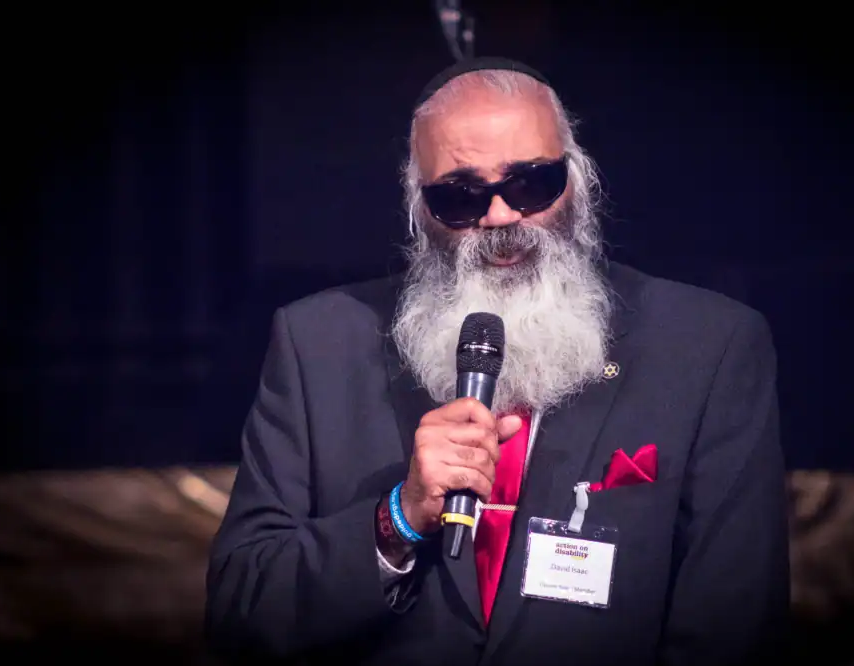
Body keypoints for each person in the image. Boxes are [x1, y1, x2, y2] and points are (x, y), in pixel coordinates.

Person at [205, 57, 790, 665]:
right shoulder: (318, 343)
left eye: (532, 183)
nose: (501, 217)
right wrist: (397, 519)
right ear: (418, 205)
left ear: (578, 177)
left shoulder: (708, 346)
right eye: (460, 196)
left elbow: (734, 632)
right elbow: (239, 615)